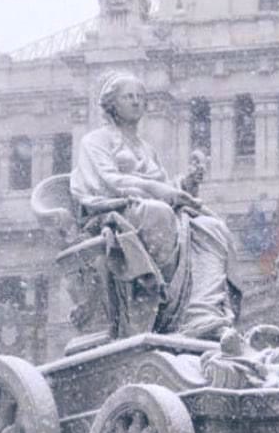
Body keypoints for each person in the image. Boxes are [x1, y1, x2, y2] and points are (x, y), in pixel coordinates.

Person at [70, 71, 241, 339]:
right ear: (112, 103)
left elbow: (164, 184)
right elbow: (108, 181)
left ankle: (201, 311)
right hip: (116, 211)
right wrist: (160, 191)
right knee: (159, 213)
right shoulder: (95, 141)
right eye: (129, 97)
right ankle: (166, 309)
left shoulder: (146, 148)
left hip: (150, 209)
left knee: (212, 228)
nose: (137, 102)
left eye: (140, 96)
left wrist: (186, 185)